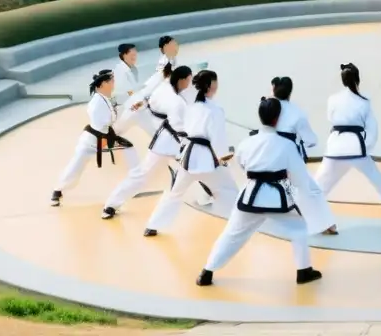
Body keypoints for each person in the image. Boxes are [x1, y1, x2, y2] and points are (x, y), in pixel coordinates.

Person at [196, 97, 322, 288]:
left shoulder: (246, 143)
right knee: (299, 229)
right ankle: (304, 271)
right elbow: (299, 176)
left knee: (231, 234)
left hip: (250, 196)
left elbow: (241, 165)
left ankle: (206, 272)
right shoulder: (287, 145)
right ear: (278, 118)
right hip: (278, 199)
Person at [142, 70, 237, 237]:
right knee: (228, 189)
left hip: (188, 156)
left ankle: (152, 225)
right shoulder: (215, 110)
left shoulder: (191, 107)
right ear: (212, 86)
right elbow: (218, 138)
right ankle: (239, 223)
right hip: (206, 158)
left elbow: (185, 130)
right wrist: (223, 157)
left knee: (175, 193)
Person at [101, 65, 193, 219]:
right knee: (144, 174)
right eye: (188, 80)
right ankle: (111, 204)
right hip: (168, 140)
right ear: (181, 79)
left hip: (165, 137)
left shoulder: (165, 87)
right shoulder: (174, 100)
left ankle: (111, 204)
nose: (189, 84)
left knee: (198, 168)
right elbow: (179, 126)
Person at [259, 76, 335, 236]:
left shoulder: (268, 107)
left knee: (297, 189)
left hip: (267, 156)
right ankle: (326, 225)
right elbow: (311, 140)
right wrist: (299, 142)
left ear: (273, 89)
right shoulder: (297, 112)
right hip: (289, 158)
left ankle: (323, 223)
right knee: (310, 191)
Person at [50, 70, 138, 207]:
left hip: (104, 138)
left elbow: (115, 104)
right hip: (92, 141)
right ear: (103, 84)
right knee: (76, 166)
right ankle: (58, 190)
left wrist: (130, 99)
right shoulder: (97, 103)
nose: (114, 83)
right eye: (112, 81)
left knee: (129, 150)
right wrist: (127, 110)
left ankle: (135, 182)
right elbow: (105, 123)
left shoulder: (105, 97)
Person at [314, 64, 381, 209]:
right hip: (356, 147)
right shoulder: (364, 101)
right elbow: (372, 129)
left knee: (322, 180)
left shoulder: (332, 99)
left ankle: (308, 203)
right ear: (358, 79)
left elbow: (330, 119)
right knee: (376, 177)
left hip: (335, 146)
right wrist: (365, 148)